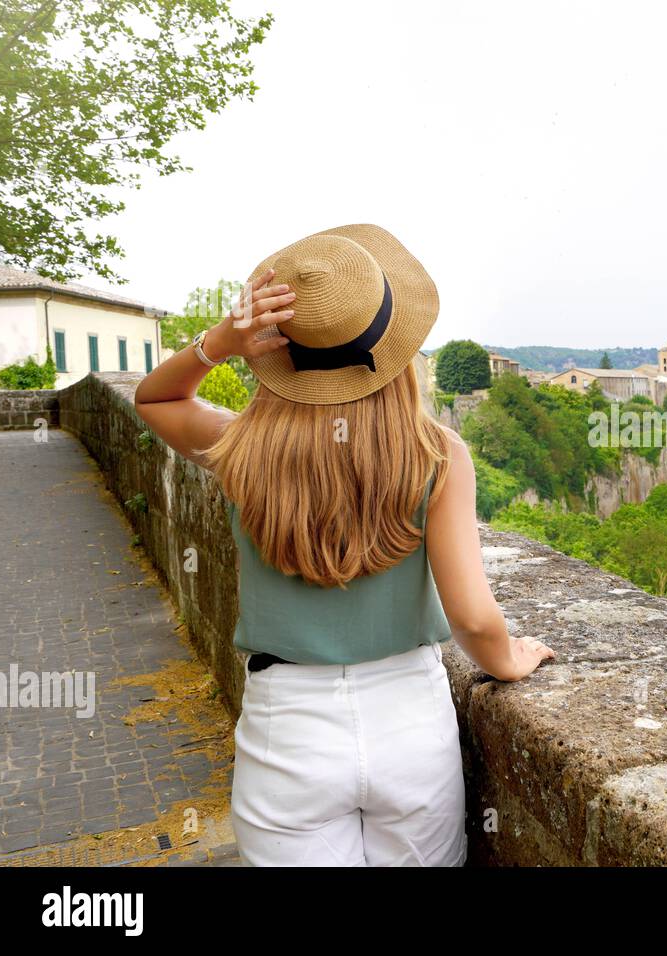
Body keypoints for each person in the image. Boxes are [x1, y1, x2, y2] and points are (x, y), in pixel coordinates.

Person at [134, 224, 553, 865]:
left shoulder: (239, 447)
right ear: (395, 346)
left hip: (287, 731)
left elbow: (155, 396)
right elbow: (471, 616)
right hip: (411, 724)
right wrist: (508, 661)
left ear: (278, 351)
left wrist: (218, 343)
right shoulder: (439, 454)